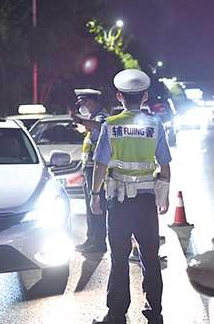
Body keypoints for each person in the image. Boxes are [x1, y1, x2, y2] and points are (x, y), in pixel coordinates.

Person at [90, 69, 171, 324]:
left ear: (119, 96)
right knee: (150, 257)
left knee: (119, 258)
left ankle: (116, 314)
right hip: (146, 202)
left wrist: (95, 194)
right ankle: (154, 312)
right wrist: (163, 197)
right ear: (145, 97)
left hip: (119, 202)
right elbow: (165, 166)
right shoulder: (155, 125)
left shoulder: (111, 125)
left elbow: (100, 165)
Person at [72, 88, 109, 253]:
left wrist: (80, 120)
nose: (81, 106)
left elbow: (101, 126)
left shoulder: (102, 116)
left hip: (96, 169)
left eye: (83, 102)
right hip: (88, 168)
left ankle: (99, 242)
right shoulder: (92, 117)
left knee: (97, 205)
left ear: (92, 101)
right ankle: (91, 239)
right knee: (90, 206)